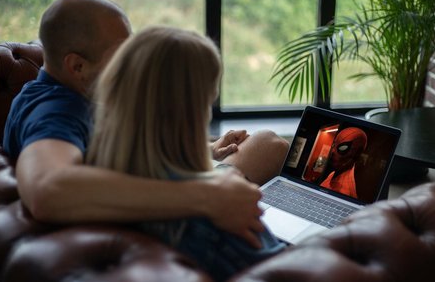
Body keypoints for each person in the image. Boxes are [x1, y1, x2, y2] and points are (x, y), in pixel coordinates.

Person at [3, 0, 289, 249]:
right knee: (269, 148)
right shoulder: (53, 112)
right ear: (77, 65)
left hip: (165, 185)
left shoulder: (80, 93)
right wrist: (206, 195)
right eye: (122, 55)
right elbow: (46, 190)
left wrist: (206, 150)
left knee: (269, 144)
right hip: (171, 218)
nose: (133, 64)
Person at [86, 26, 286, 281]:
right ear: (194, 110)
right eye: (208, 100)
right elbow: (278, 269)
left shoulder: (98, 179)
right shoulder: (220, 207)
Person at [320, 127, 367, 198]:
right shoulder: (332, 174)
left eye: (342, 147)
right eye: (333, 145)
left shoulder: (344, 191)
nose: (332, 151)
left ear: (356, 153)